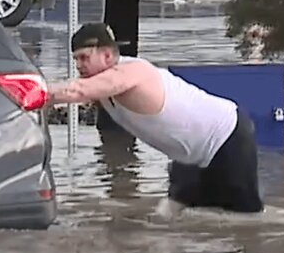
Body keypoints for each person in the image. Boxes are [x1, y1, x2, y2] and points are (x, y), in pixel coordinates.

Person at [48, 22, 264, 214]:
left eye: (84, 57)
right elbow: (71, 93)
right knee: (167, 218)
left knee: (245, 223)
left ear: (107, 55)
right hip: (187, 159)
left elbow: (77, 91)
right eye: (76, 59)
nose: (78, 65)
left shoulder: (134, 71)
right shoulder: (100, 88)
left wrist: (30, 90)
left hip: (228, 138)